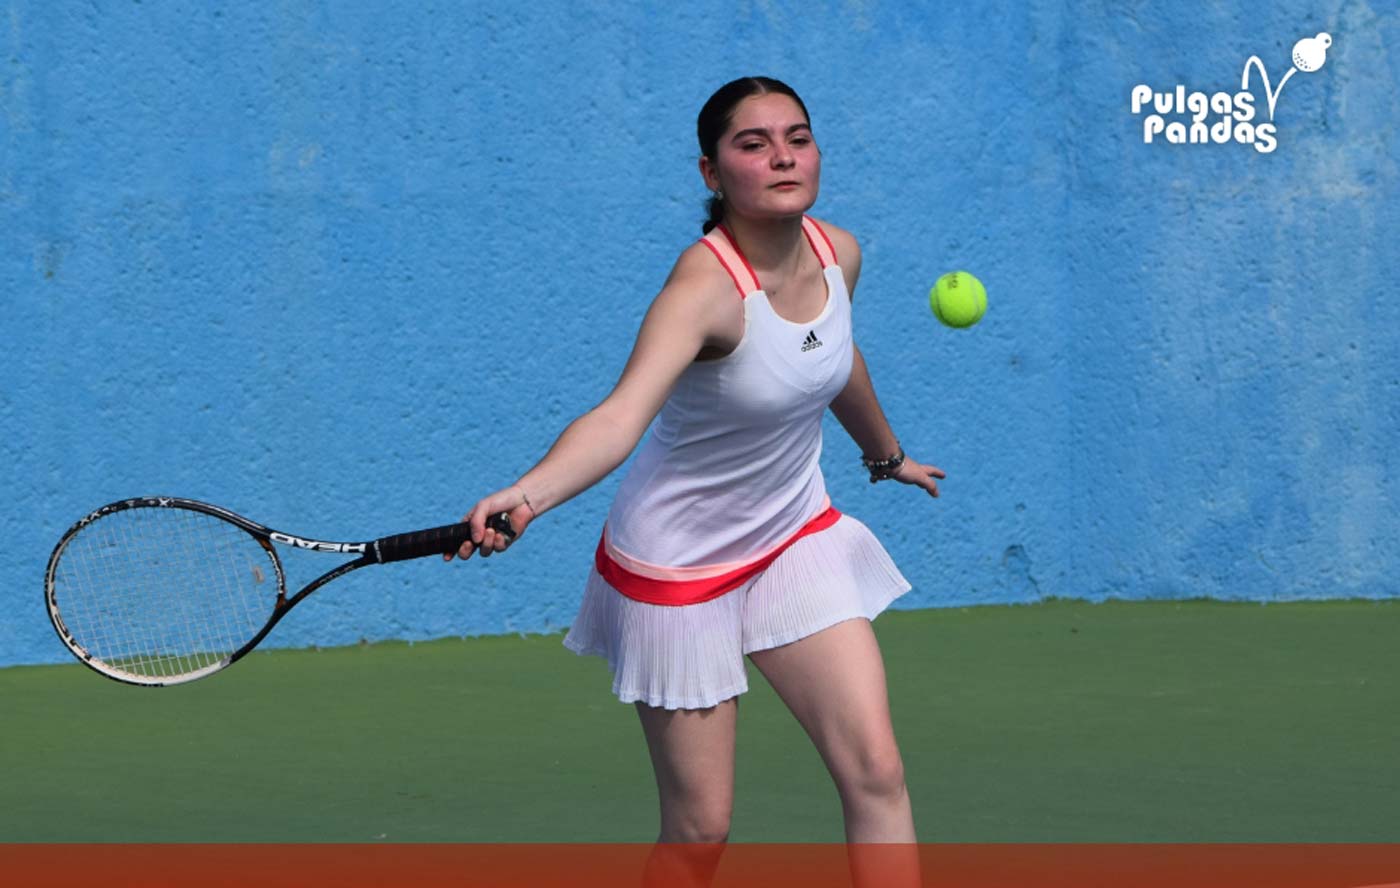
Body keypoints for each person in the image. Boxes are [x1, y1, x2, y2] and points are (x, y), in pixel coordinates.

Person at [446, 76, 942, 884]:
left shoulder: (838, 252)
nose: (783, 156)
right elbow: (619, 417)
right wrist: (528, 494)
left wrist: (885, 456)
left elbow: (834, 355)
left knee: (877, 773)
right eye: (753, 144)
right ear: (712, 174)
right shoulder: (703, 290)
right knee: (700, 830)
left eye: (798, 137)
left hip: (793, 536)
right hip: (681, 565)